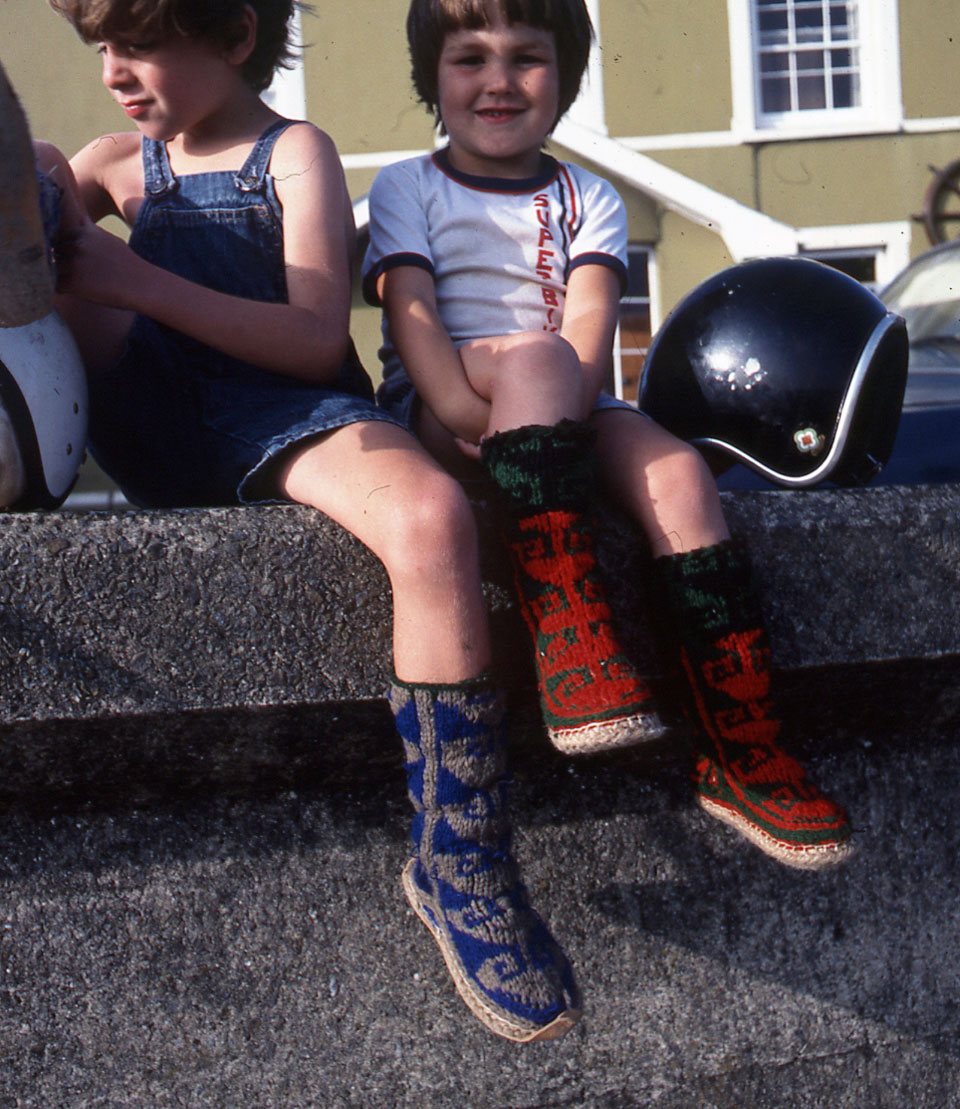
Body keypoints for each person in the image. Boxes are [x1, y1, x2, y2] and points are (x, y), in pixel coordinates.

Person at [30, 0, 581, 1042]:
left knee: (428, 519)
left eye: (139, 45)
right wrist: (61, 225)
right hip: (159, 415)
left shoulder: (294, 155)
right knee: (35, 179)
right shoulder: (112, 163)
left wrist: (131, 276)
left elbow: (310, 332)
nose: (114, 71)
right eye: (101, 48)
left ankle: (460, 852)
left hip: (286, 408)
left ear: (233, 34)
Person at [363, 0, 853, 872]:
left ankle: (739, 744)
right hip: (444, 400)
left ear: (568, 74)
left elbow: (590, 335)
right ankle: (568, 634)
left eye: (526, 57)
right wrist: (487, 421)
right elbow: (415, 324)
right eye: (469, 58)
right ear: (431, 76)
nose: (498, 81)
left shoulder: (588, 196)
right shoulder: (408, 186)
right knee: (532, 360)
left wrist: (541, 415)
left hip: (565, 402)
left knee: (678, 477)